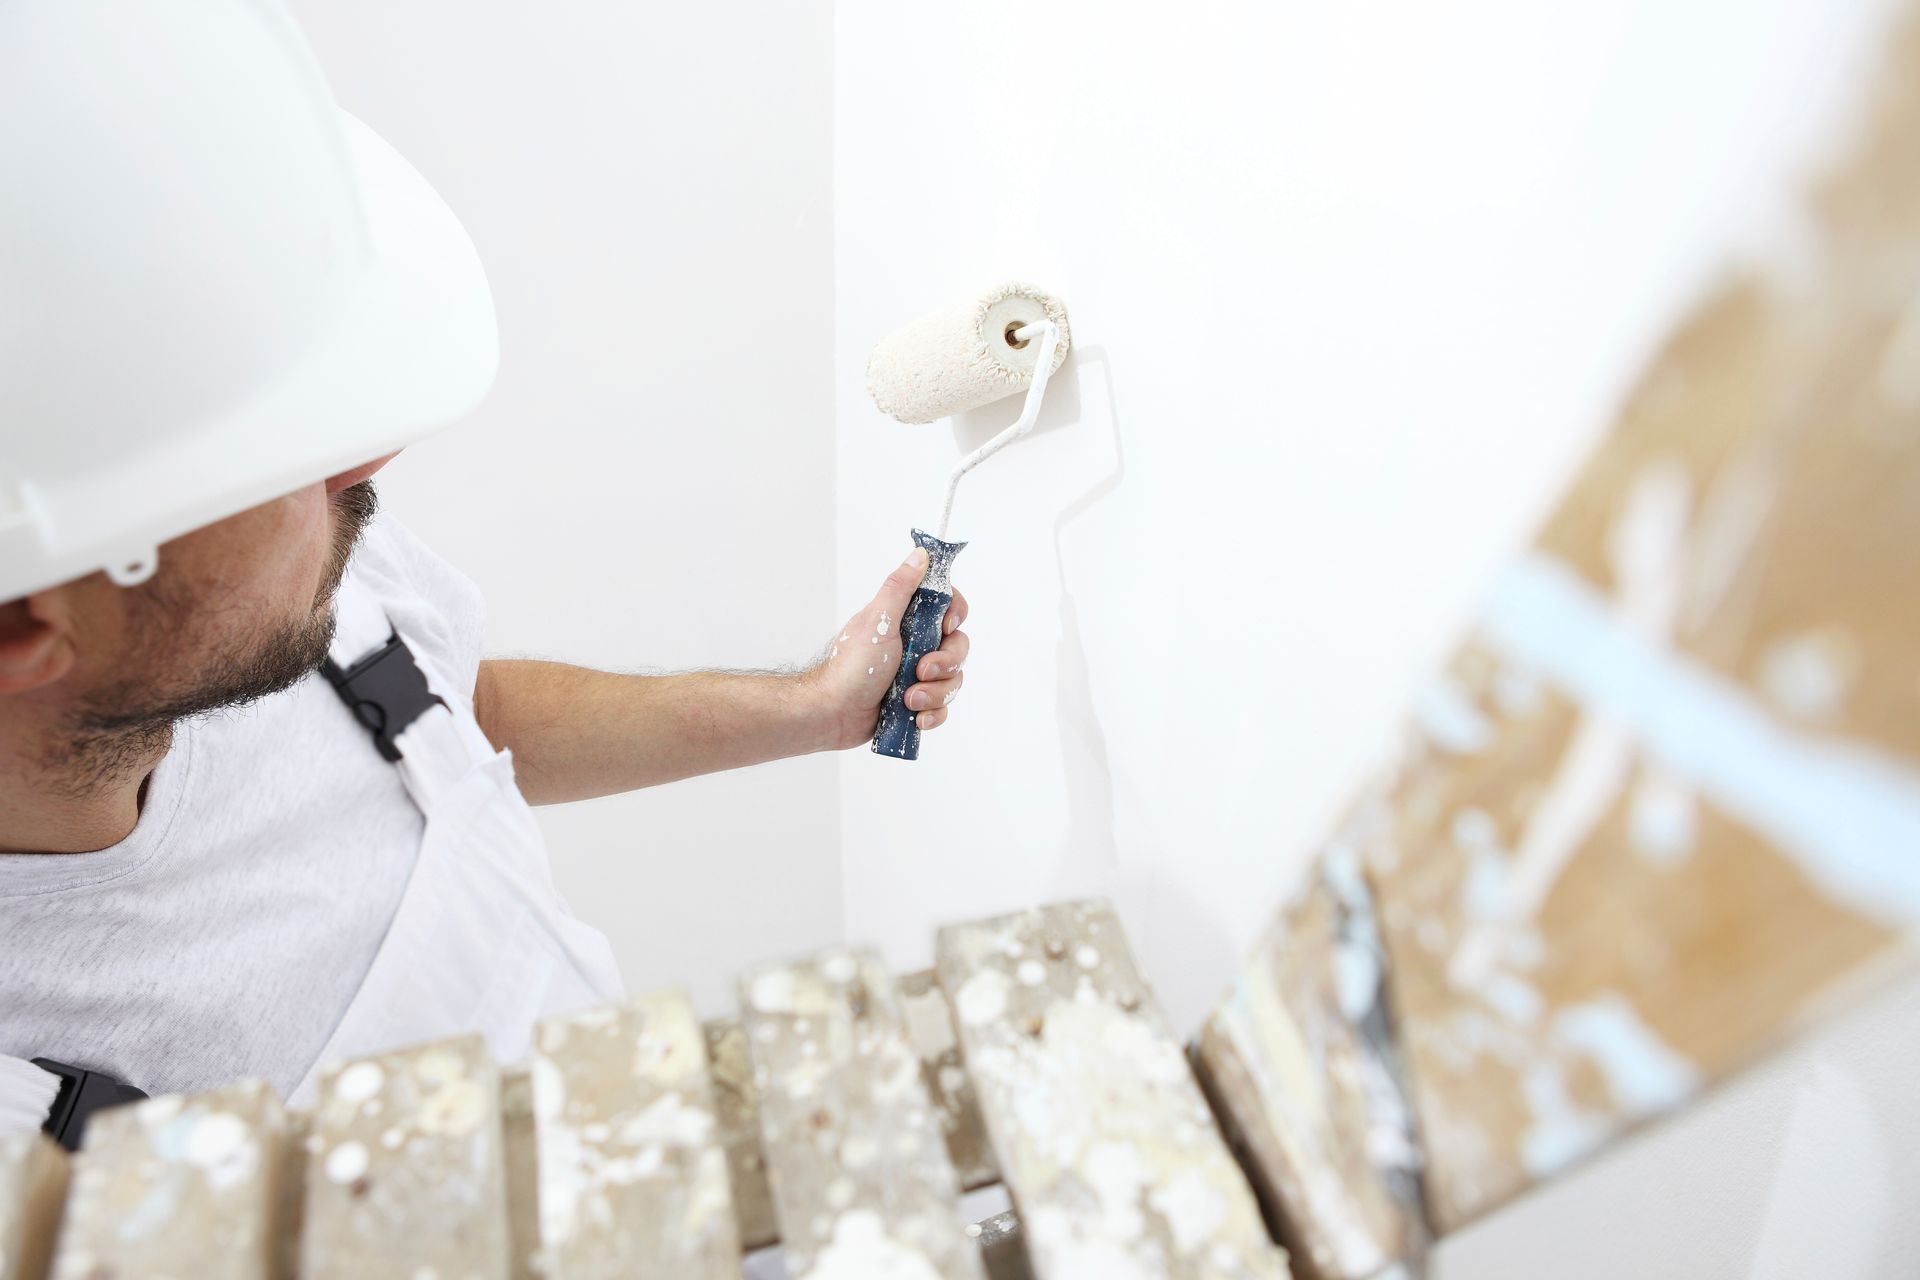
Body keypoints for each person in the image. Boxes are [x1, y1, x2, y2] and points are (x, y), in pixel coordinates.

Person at [0, 0, 968, 1127]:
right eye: (275, 454)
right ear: (26, 624)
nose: (367, 456)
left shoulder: (274, 593)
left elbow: (457, 709)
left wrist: (808, 706)